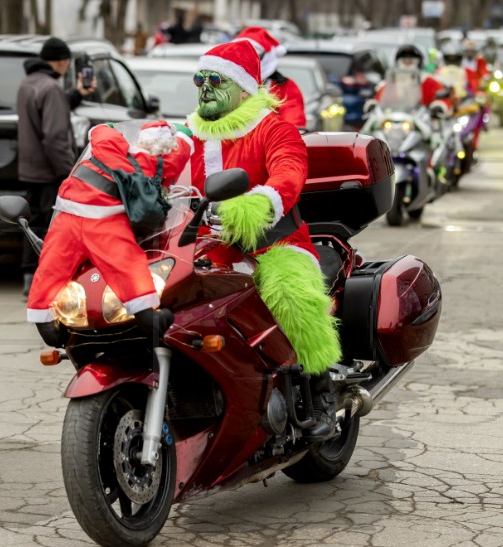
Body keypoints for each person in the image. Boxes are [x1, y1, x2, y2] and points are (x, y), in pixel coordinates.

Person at [181, 41, 341, 440]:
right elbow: (159, 169)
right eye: (199, 78)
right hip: (203, 246)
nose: (204, 87)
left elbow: (290, 170)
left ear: (243, 87)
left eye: (215, 79)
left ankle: (321, 392)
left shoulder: (273, 128)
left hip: (273, 243)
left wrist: (258, 202)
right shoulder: (189, 133)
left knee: (292, 293)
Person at [26, 120, 190, 336]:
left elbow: (99, 131)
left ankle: (43, 321)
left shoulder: (110, 143)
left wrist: (109, 125)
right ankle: (146, 316)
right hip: (106, 219)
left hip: (68, 213)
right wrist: (185, 136)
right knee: (127, 264)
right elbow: (177, 158)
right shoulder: (156, 164)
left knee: (51, 266)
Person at [17, 37, 96, 295]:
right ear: (62, 62)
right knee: (54, 227)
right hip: (50, 171)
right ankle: (48, 282)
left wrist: (74, 96)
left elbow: (46, 112)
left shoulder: (28, 84)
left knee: (34, 224)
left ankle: (29, 279)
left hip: (29, 170)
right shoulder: (50, 88)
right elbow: (54, 136)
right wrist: (68, 172)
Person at [235, 26, 306, 128]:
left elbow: (293, 120)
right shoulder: (226, 84)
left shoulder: (285, 87)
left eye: (255, 56)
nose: (249, 61)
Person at [374, 44, 450, 114]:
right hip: (393, 118)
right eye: (404, 61)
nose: (407, 62)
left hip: (422, 118)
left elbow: (442, 99)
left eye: (411, 61)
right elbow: (380, 99)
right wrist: (373, 105)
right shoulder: (391, 83)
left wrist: (438, 105)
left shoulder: (428, 81)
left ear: (419, 62)